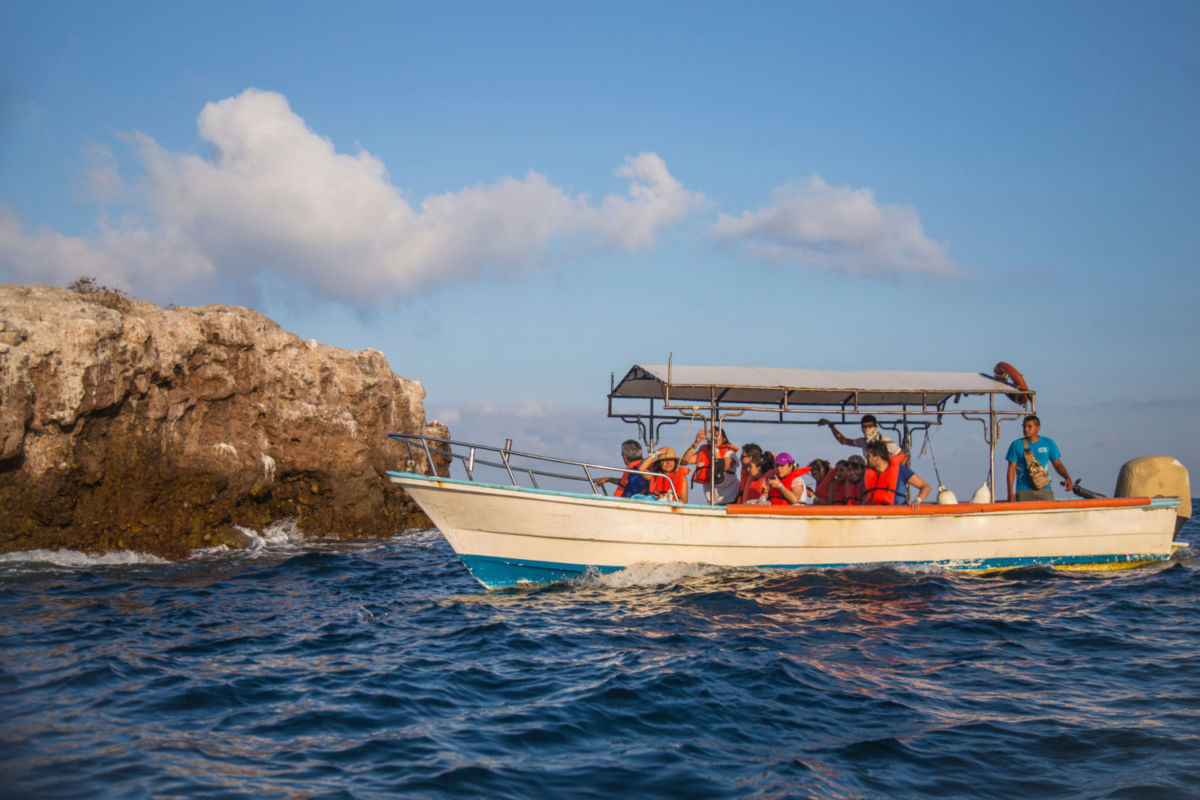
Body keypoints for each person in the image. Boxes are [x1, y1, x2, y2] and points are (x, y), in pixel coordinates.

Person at [1005, 415, 1073, 502]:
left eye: (1029, 426)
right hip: (1023, 491)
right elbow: (1011, 469)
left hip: (1044, 489)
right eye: (1024, 426)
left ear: (1038, 428)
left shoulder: (1048, 443)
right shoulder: (1016, 445)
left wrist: (1067, 478)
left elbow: (1058, 464)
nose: (1026, 429)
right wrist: (1010, 493)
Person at [863, 441, 931, 507]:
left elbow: (926, 487)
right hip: (875, 513)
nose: (866, 458)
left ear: (877, 458)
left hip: (898, 512)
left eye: (868, 456)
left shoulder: (901, 470)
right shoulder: (867, 475)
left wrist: (917, 501)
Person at [681, 427, 739, 504]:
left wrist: (715, 449)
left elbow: (722, 466)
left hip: (730, 499)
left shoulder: (729, 453)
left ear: (724, 439)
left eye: (716, 436)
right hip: (712, 501)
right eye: (711, 436)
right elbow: (685, 461)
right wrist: (695, 443)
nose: (714, 438)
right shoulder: (704, 453)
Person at [818, 414, 902, 461]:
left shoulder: (885, 440)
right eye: (864, 427)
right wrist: (831, 425)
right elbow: (843, 440)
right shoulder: (863, 441)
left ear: (875, 426)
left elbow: (903, 456)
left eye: (870, 426)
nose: (867, 429)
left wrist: (897, 474)